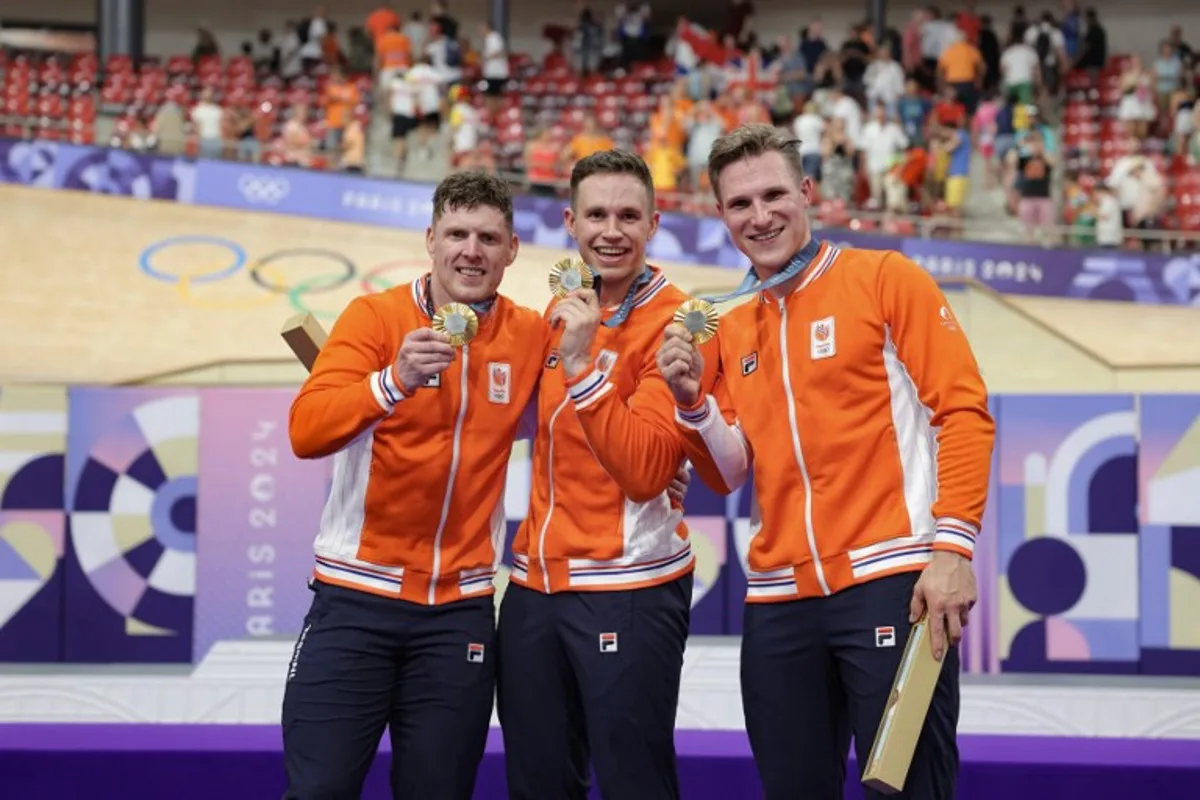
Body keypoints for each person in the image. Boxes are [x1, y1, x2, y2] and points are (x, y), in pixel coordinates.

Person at [655, 124, 995, 800]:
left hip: (892, 579)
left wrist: (953, 548)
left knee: (907, 790)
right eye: (740, 204)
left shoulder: (883, 278)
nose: (761, 216)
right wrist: (692, 405)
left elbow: (961, 413)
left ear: (807, 193)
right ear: (720, 214)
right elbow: (728, 473)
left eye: (774, 194)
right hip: (779, 601)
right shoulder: (724, 320)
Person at [283, 171, 547, 800]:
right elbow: (306, 430)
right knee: (317, 792)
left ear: (512, 249)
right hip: (355, 601)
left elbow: (575, 420)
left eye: (489, 237)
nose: (471, 251)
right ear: (430, 239)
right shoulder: (374, 317)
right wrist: (391, 380)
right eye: (457, 233)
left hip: (458, 614)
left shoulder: (531, 334)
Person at [496, 149, 716, 800]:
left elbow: (647, 471)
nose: (611, 231)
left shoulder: (681, 324)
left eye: (628, 215)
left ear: (655, 223)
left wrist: (582, 365)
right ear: (569, 220)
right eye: (596, 214)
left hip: (629, 585)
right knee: (537, 785)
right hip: (533, 586)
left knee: (634, 785)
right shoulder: (561, 312)